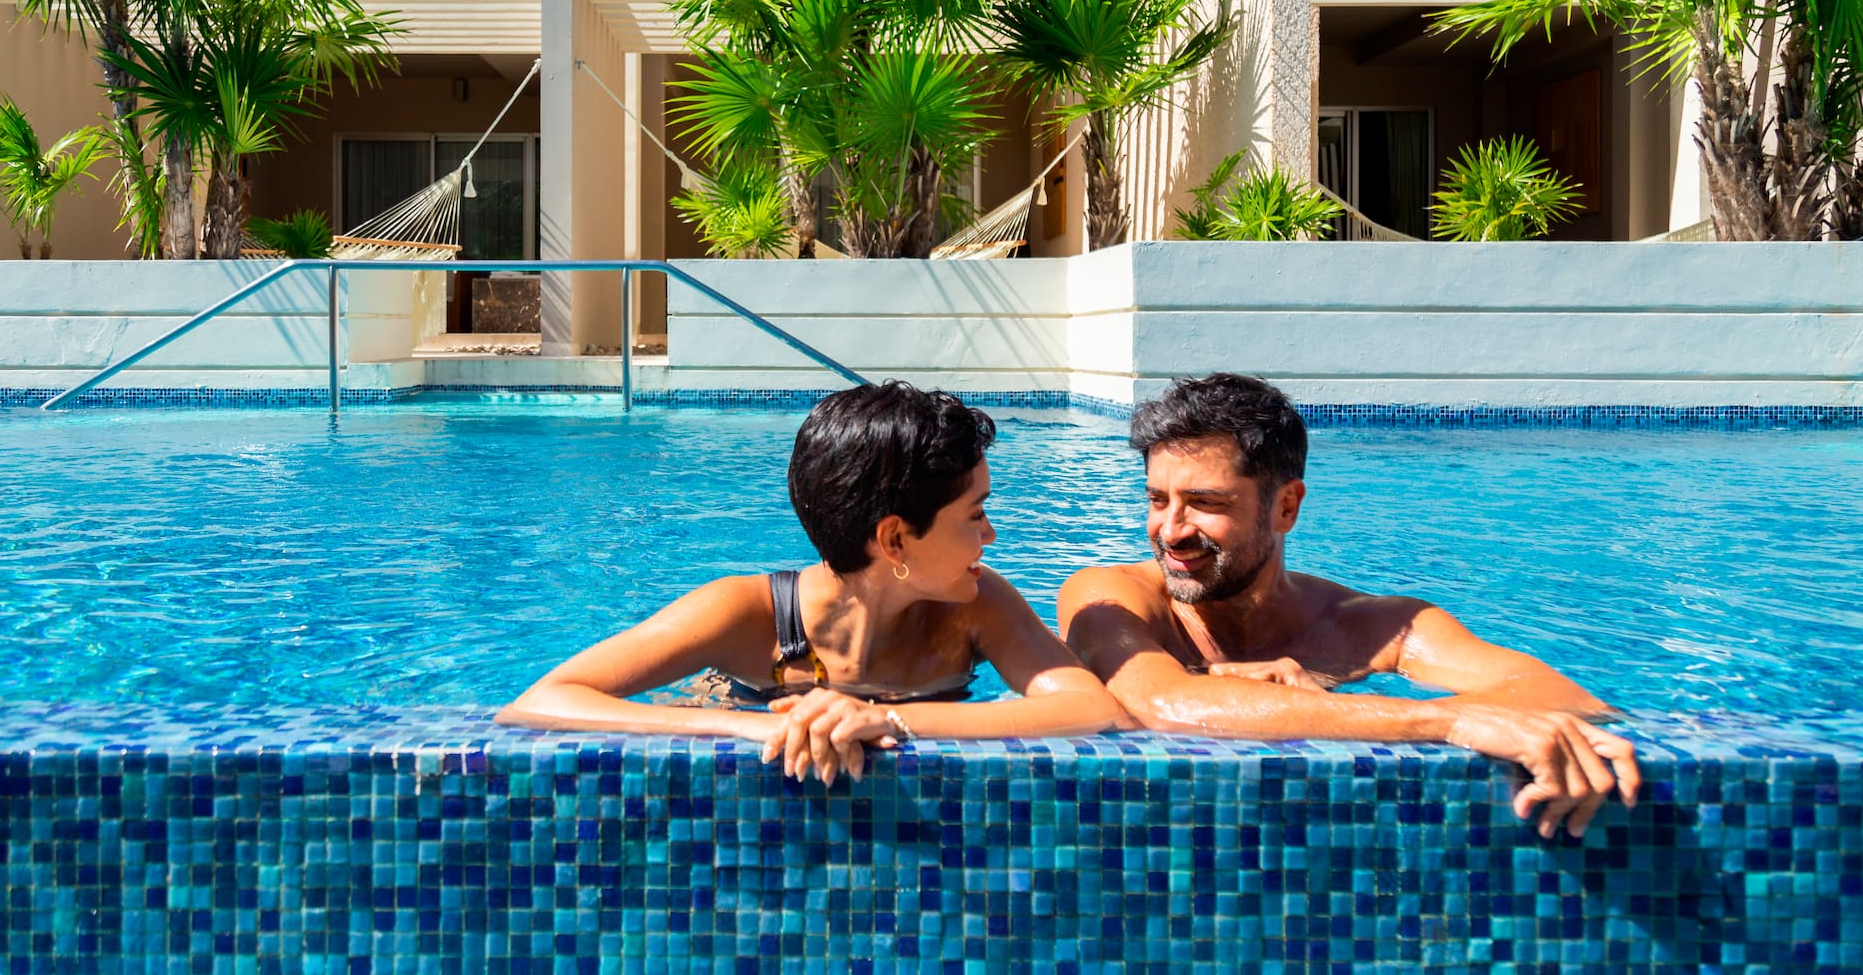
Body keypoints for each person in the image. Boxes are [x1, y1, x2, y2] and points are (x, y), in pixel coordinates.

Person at [1058, 372, 1643, 839]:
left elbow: (1568, 696)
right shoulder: (1109, 597)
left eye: (1205, 502)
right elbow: (1165, 702)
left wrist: (1331, 709)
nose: (1172, 530)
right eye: (1158, 500)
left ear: (1286, 507)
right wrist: (1446, 719)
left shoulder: (1377, 626)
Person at [498, 381, 1125, 782]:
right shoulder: (746, 612)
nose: (990, 536)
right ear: (895, 540)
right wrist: (752, 726)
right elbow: (542, 701)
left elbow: (1091, 707)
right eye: (975, 513)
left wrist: (887, 721)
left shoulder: (976, 603)